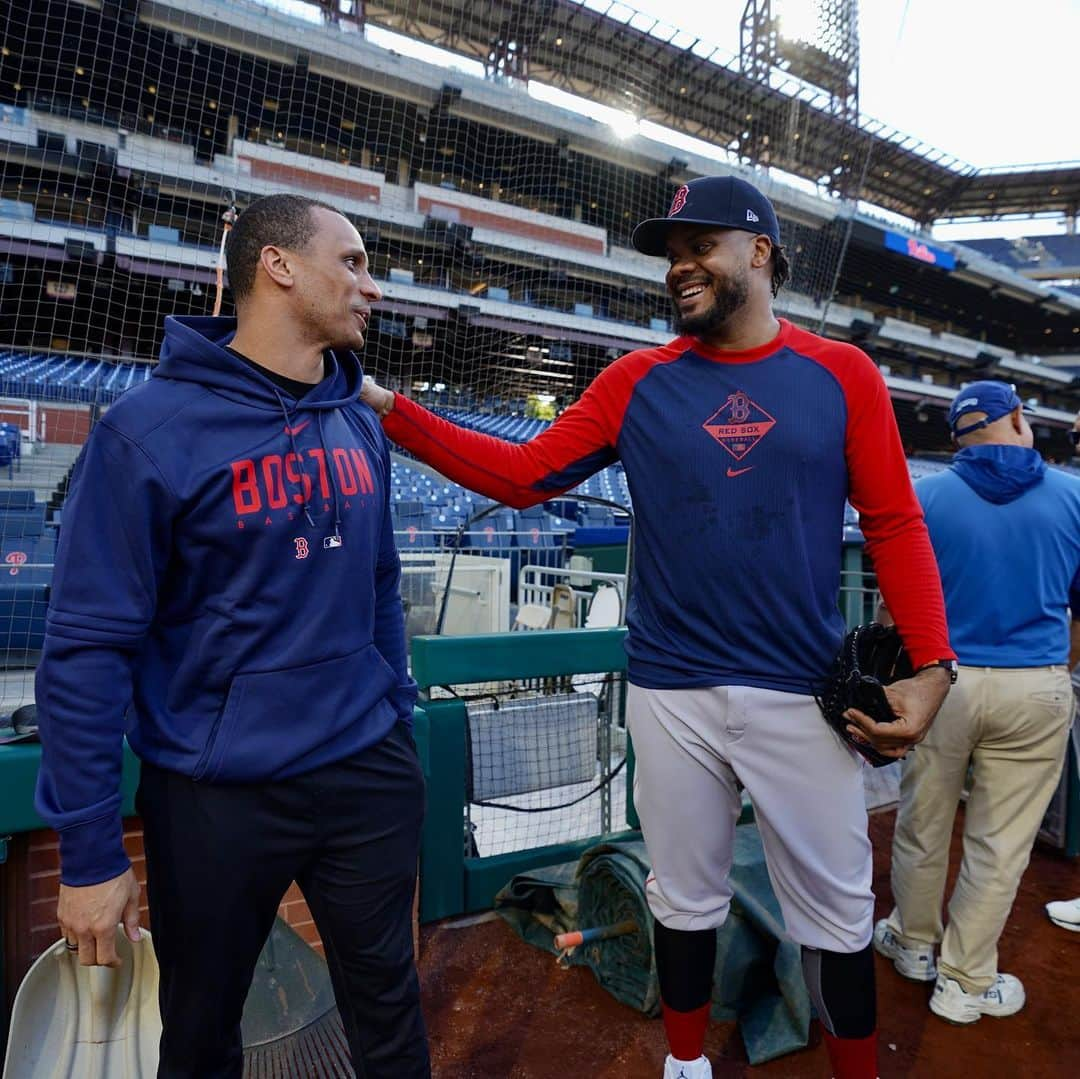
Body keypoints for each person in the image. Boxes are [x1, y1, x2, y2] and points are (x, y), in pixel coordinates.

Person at [360, 175, 956, 1079]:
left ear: (759, 252)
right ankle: (685, 1064)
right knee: (684, 901)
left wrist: (935, 664)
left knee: (835, 917)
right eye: (672, 255)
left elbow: (894, 523)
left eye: (700, 246)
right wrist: (385, 406)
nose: (681, 267)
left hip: (804, 692)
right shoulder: (635, 382)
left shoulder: (842, 373)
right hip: (671, 687)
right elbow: (524, 476)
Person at [35, 194, 430, 1078]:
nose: (372, 285)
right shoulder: (146, 433)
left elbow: (379, 584)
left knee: (392, 1017)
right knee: (202, 1035)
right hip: (216, 795)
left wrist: (393, 715)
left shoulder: (360, 420)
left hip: (365, 769)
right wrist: (91, 854)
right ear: (278, 266)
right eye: (355, 262)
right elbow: (87, 650)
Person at [874, 381, 1080, 1024]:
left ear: (959, 437)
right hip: (1034, 684)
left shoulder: (927, 494)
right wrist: (1054, 670)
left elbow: (892, 608)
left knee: (923, 820)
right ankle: (965, 980)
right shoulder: (1074, 494)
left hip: (942, 682)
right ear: (1017, 418)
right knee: (1000, 844)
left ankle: (912, 943)